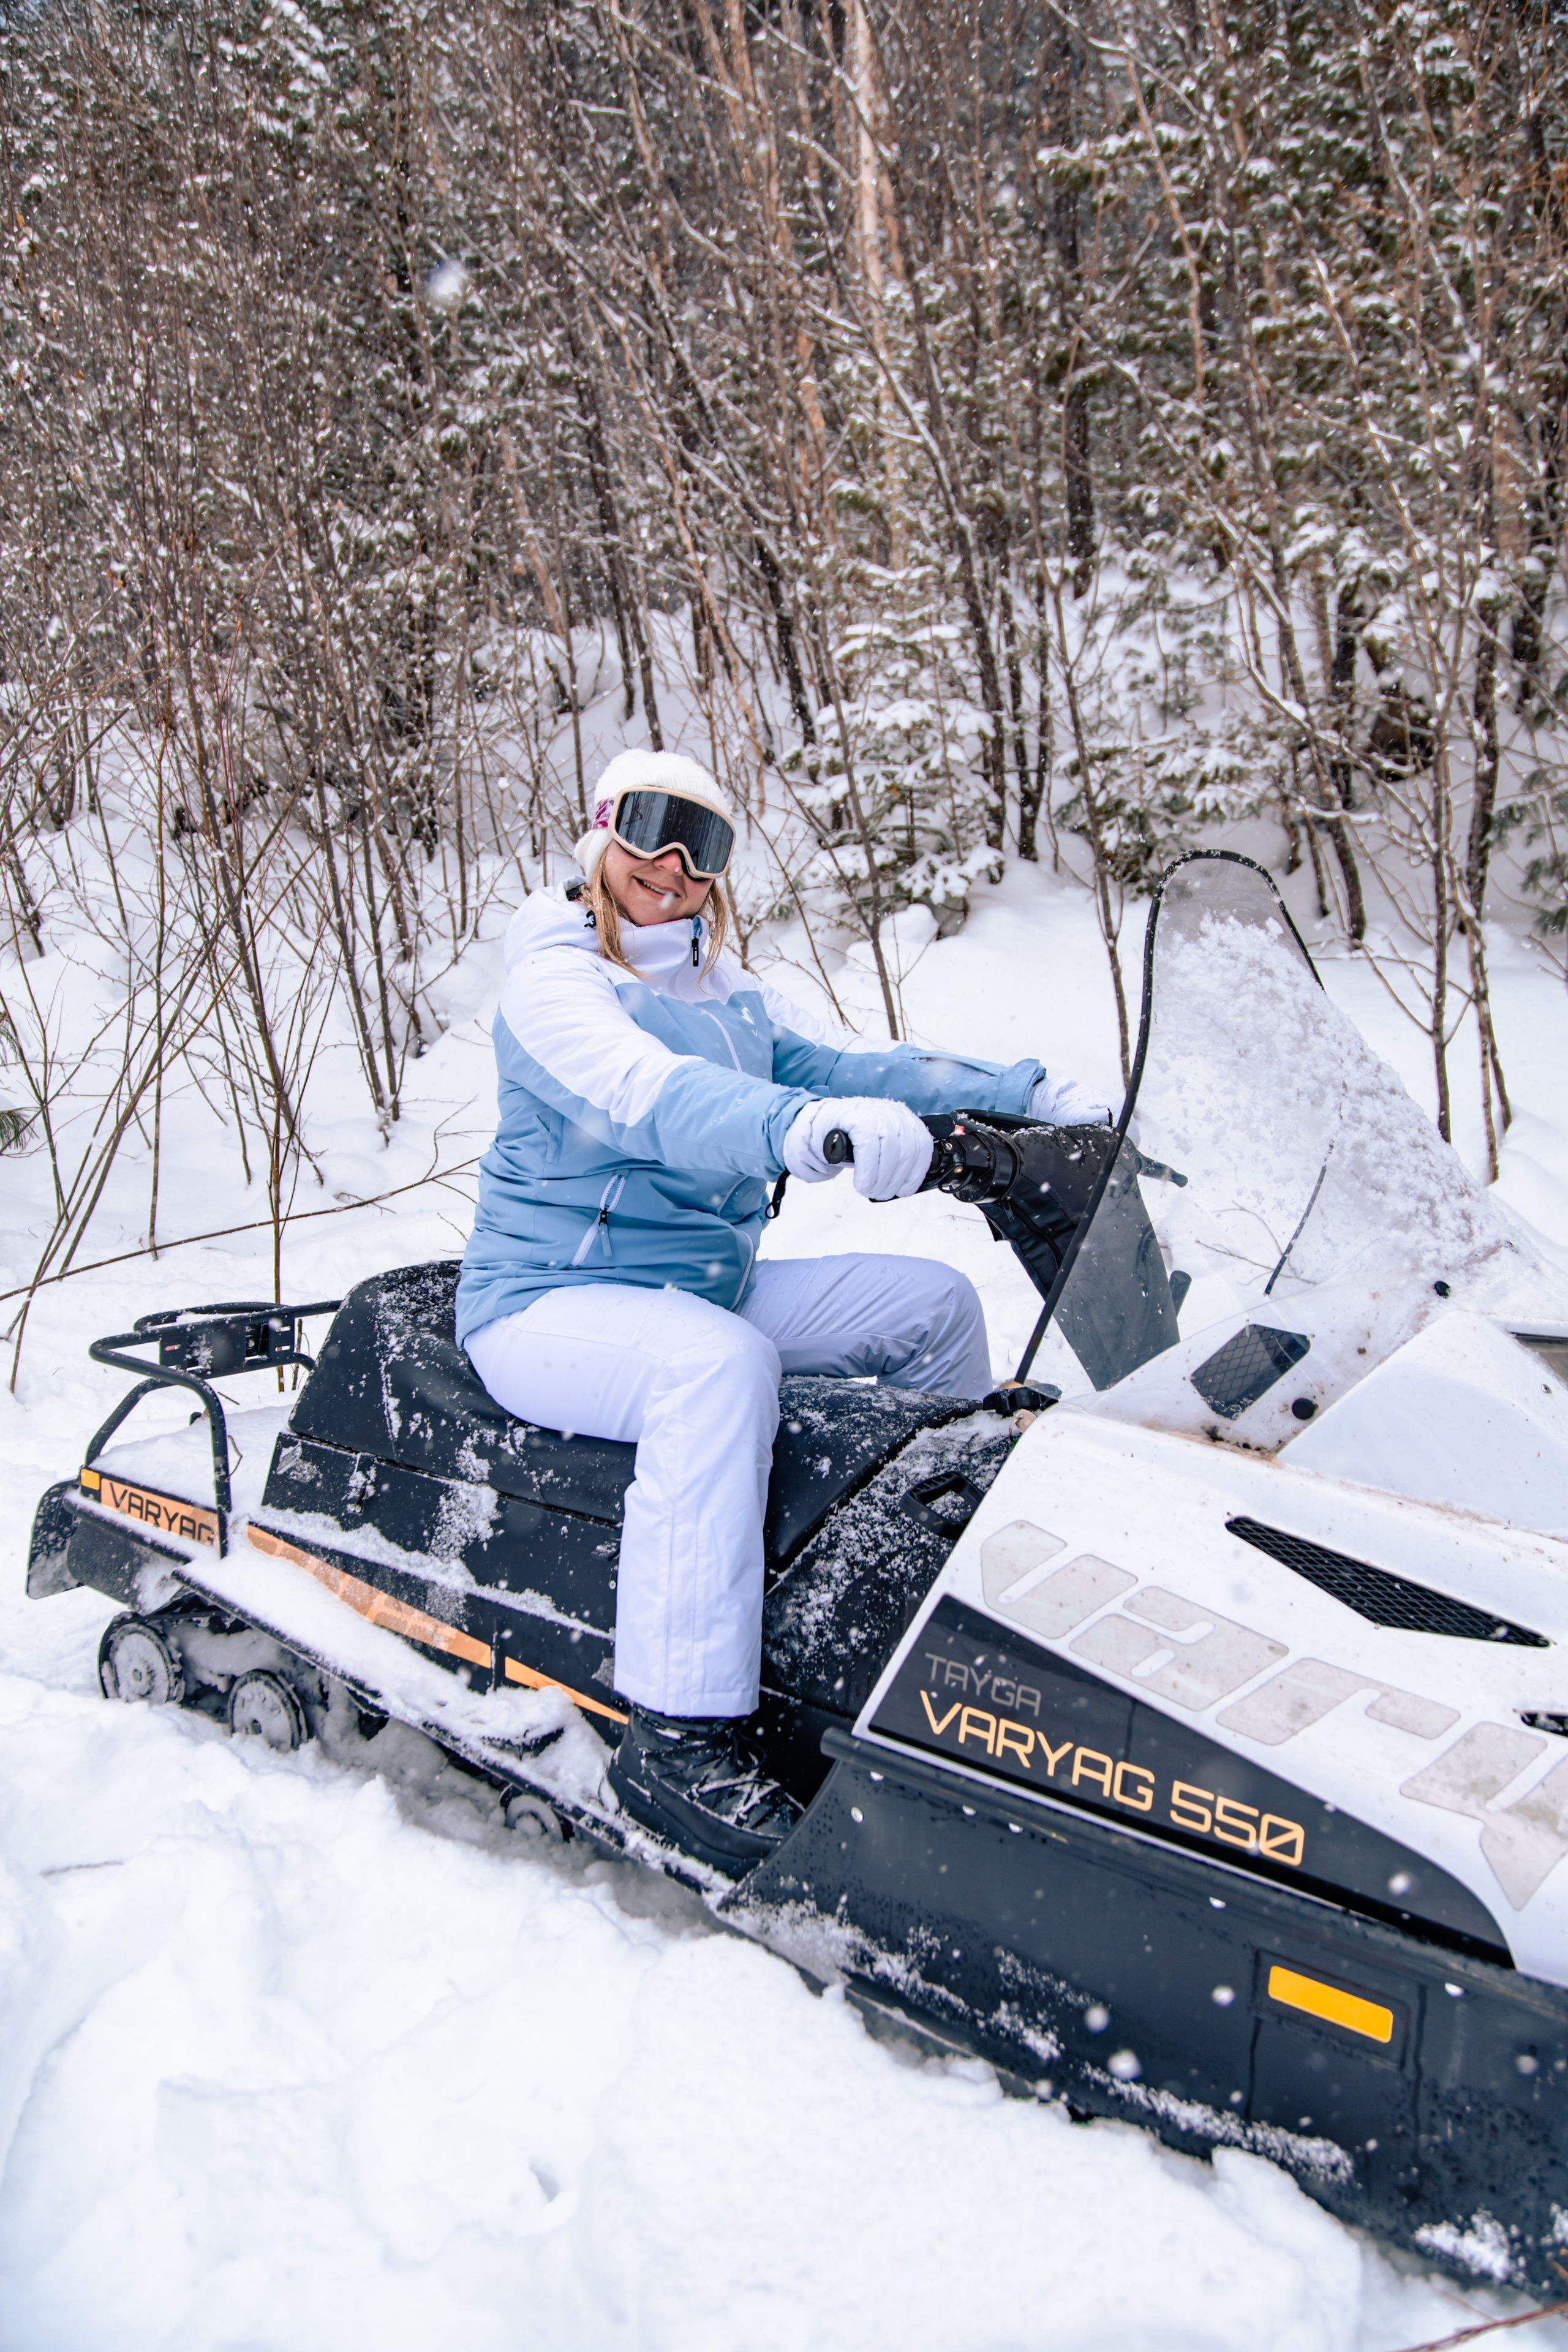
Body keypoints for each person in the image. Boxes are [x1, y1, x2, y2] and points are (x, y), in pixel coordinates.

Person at [457, 749, 1109, 1872]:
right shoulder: (556, 979)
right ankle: (676, 1732)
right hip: (550, 1301)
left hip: (703, 1285)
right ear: (600, 835)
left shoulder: (725, 990)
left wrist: (1023, 1096)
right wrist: (799, 1130)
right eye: (650, 831)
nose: (669, 866)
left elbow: (859, 1063)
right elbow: (643, 1094)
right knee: (715, 1370)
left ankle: (934, 1601)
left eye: (699, 845)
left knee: (936, 1307)